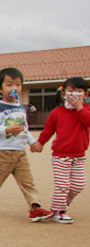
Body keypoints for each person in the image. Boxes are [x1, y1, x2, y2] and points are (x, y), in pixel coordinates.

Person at [0, 67, 53, 222]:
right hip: (3, 152)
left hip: (20, 152)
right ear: (0, 88)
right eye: (9, 85)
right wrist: (7, 129)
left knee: (28, 182)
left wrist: (32, 141)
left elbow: (25, 129)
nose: (14, 88)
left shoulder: (21, 107)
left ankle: (35, 208)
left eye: (18, 84)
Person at [34, 77, 90, 223]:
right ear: (64, 93)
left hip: (79, 156)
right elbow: (48, 130)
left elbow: (88, 121)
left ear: (86, 94)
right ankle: (58, 211)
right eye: (71, 91)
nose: (75, 94)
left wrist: (79, 107)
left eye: (79, 91)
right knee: (62, 185)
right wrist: (40, 143)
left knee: (78, 185)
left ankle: (61, 207)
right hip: (61, 156)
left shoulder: (86, 110)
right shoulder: (57, 112)